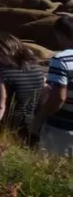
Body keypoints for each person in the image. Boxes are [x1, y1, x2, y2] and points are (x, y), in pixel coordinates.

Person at [0, 32, 46, 142]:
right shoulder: (37, 69)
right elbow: (43, 95)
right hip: (33, 122)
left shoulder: (1, 73)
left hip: (9, 125)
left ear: (0, 51)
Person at [36, 16, 73, 155]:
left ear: (60, 35)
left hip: (63, 129)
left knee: (57, 172)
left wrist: (39, 118)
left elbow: (58, 98)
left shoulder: (61, 59)